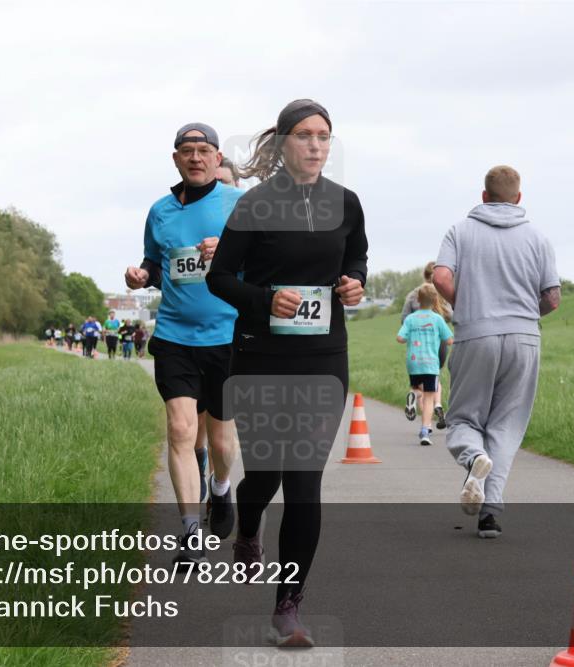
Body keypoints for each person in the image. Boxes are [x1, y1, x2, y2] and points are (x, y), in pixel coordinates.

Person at [207, 99, 367, 648]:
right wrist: (265, 300)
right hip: (260, 359)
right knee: (266, 477)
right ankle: (248, 525)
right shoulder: (254, 205)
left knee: (303, 481)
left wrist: (354, 283)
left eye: (324, 136)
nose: (316, 145)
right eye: (304, 135)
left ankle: (288, 606)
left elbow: (356, 259)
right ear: (282, 143)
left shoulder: (346, 203)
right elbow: (220, 278)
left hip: (324, 360)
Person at [124, 122, 243, 564]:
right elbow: (156, 263)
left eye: (203, 150)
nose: (195, 157)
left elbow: (265, 261)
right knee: (179, 430)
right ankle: (191, 532)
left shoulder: (239, 203)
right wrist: (141, 275)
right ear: (175, 159)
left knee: (222, 441)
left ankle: (221, 486)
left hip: (227, 335)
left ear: (216, 158)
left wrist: (227, 251)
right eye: (187, 150)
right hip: (174, 335)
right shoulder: (160, 211)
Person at [433, 165, 560, 539]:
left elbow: (440, 277)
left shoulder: (460, 230)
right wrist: (524, 316)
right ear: (519, 197)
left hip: (476, 334)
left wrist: (468, 305)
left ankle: (474, 458)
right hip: (524, 338)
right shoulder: (538, 237)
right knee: (507, 426)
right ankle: (490, 514)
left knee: (463, 418)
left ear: (484, 196)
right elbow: (553, 298)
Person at [397, 284, 454, 445]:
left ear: (418, 299)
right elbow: (449, 340)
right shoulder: (437, 319)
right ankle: (424, 432)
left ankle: (413, 395)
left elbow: (400, 338)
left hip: (414, 362)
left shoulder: (410, 319)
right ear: (435, 300)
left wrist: (411, 336)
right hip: (431, 364)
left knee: (417, 389)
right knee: (429, 398)